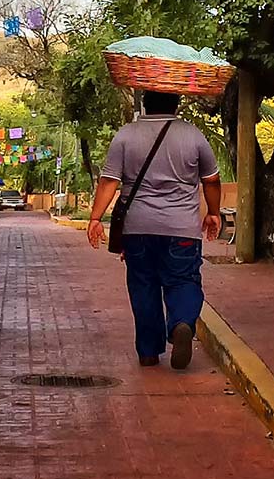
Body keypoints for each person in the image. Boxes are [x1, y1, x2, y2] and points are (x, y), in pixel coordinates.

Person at [87, 91, 222, 370]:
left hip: (137, 229)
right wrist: (213, 212)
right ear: (177, 104)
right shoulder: (193, 135)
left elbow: (109, 181)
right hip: (182, 229)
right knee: (183, 281)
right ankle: (181, 324)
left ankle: (149, 352)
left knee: (143, 286)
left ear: (145, 104)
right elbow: (212, 179)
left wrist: (95, 218)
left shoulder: (126, 135)